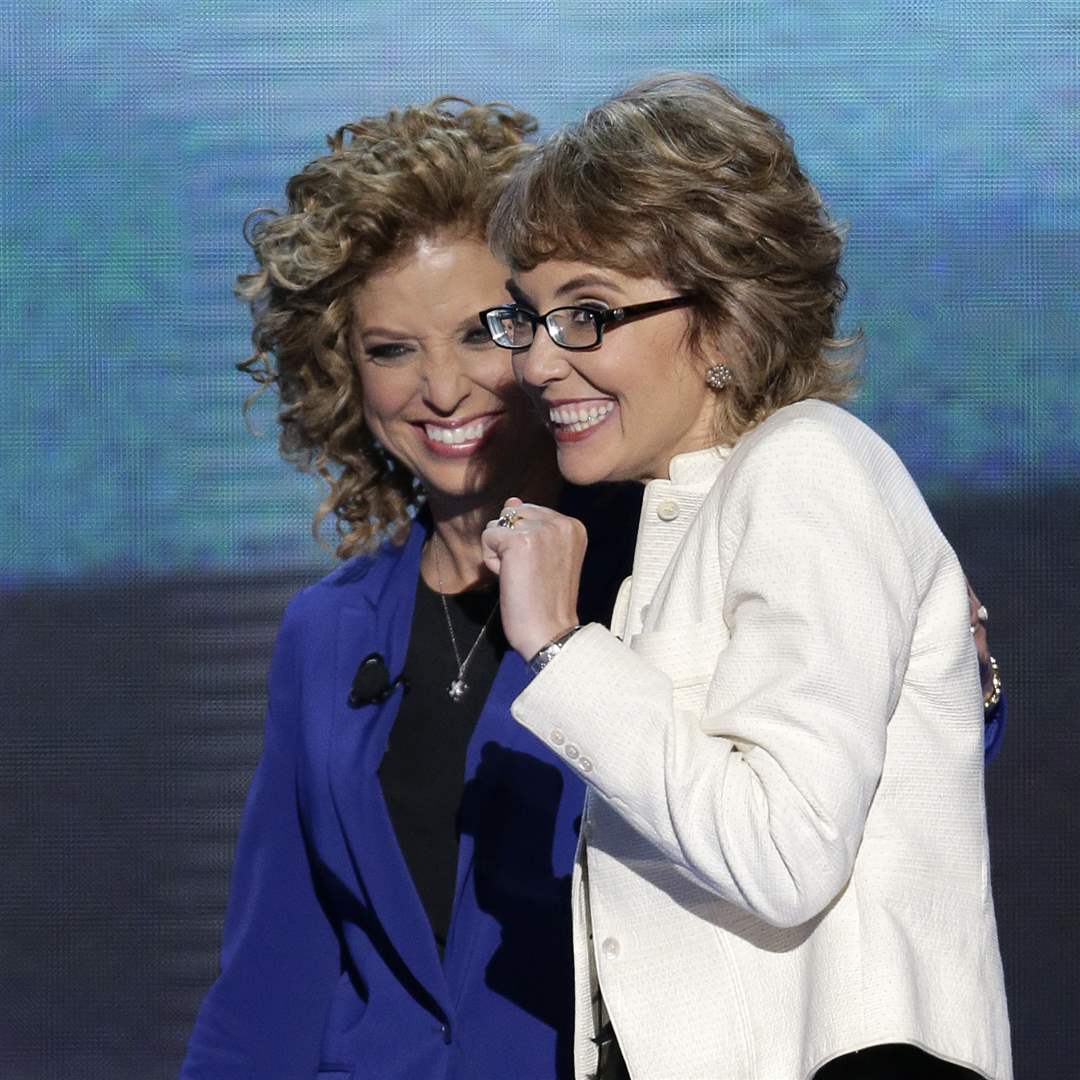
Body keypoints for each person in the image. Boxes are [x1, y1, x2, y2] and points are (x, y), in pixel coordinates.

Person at [481, 73, 1012, 1079]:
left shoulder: (808, 465)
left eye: (586, 315)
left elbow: (784, 855)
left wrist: (561, 645)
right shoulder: (703, 506)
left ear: (725, 325)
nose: (540, 365)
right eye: (529, 319)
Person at [180, 97, 640, 1080]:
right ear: (340, 373)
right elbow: (274, 974)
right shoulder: (329, 630)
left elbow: (818, 767)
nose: (440, 390)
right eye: (392, 349)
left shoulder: (658, 566)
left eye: (484, 333)